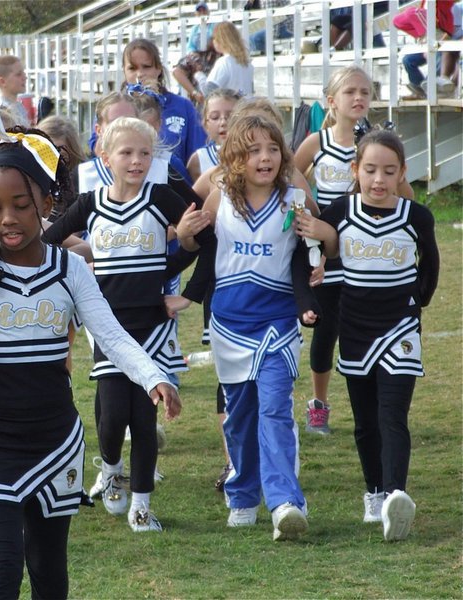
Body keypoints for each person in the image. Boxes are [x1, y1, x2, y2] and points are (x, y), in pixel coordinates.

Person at [0, 123, 181, 597]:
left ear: (47, 202)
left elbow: (110, 334)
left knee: (48, 569)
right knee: (0, 567)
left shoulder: (69, 268)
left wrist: (153, 377)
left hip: (56, 439)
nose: (8, 218)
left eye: (20, 204)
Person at [45, 116, 207, 533]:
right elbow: (47, 242)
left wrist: (188, 292)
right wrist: (77, 271)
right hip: (107, 326)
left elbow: (206, 244)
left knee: (143, 419)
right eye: (126, 152)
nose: (136, 161)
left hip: (152, 324)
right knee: (113, 416)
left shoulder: (162, 197)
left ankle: (141, 506)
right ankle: (112, 468)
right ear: (105, 156)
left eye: (144, 153)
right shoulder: (90, 203)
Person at [172, 114, 320, 541]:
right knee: (238, 418)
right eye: (253, 150)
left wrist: (320, 256)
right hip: (230, 325)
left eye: (272, 149)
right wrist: (184, 235)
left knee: (275, 410)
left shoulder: (293, 197)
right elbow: (194, 244)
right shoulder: (219, 195)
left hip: (277, 323)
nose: (265, 157)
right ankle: (242, 495)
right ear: (234, 157)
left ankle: (285, 503)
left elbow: (317, 242)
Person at [296, 129, 440, 541]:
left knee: (392, 415)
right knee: (365, 422)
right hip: (355, 327)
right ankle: (374, 493)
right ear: (355, 169)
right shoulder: (340, 211)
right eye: (371, 170)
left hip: (400, 327)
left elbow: (430, 264)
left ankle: (396, 496)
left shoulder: (417, 216)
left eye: (389, 171)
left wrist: (418, 300)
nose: (379, 179)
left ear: (402, 173)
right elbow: (315, 249)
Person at [294, 65, 414, 435]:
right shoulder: (317, 142)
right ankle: (319, 405)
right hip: (329, 254)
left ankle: (379, 404)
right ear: (331, 101)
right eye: (350, 92)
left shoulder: (378, 143)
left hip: (368, 252)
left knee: (367, 326)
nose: (359, 98)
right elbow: (289, 174)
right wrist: (311, 211)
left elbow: (409, 199)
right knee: (326, 330)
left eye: (365, 91)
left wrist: (393, 173)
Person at [88, 38, 208, 179]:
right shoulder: (112, 107)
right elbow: (98, 152)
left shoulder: (183, 107)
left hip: (169, 183)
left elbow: (198, 158)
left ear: (159, 69)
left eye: (146, 67)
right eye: (132, 68)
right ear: (124, 71)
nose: (140, 74)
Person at [186, 88, 241, 181]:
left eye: (230, 116)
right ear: (205, 124)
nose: (223, 122)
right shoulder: (199, 160)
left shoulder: (254, 154)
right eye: (215, 117)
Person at [172, 2, 220, 104]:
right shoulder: (195, 28)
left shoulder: (214, 26)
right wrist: (193, 53)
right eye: (199, 11)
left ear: (208, 12)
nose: (202, 12)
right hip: (197, 56)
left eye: (204, 10)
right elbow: (190, 45)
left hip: (211, 56)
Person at [202, 22, 255, 100]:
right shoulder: (247, 64)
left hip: (230, 105)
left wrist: (199, 76)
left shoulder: (224, 62)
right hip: (246, 105)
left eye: (214, 38)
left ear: (220, 40)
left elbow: (209, 91)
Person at [0, 55, 30, 127]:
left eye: (23, 73)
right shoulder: (1, 111)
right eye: (18, 74)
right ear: (3, 81)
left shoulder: (18, 105)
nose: (25, 77)